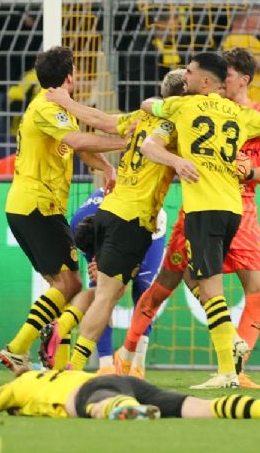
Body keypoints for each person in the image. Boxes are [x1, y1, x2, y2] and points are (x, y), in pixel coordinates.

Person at [116, 49, 260, 389]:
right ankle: (130, 350)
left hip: (238, 206)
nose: (224, 80)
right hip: (209, 205)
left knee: (252, 290)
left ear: (242, 80)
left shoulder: (254, 114)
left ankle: (234, 367)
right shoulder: (194, 105)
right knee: (168, 283)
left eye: (230, 74)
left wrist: (250, 170)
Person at [42, 69, 185, 372]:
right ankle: (76, 364)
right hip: (133, 217)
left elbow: (102, 121)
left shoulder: (143, 116)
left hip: (108, 208)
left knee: (108, 291)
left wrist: (66, 101)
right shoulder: (178, 125)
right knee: (108, 296)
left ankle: (65, 330)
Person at [0, 46, 125, 375]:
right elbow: (80, 141)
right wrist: (129, 144)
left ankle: (55, 365)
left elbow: (77, 146)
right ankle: (17, 348)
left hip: (35, 205)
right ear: (69, 76)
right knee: (70, 286)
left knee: (63, 288)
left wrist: (106, 167)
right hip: (38, 206)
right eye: (76, 70)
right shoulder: (47, 109)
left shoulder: (57, 109)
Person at [40, 186, 167, 375]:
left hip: (147, 224)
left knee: (140, 289)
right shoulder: (79, 226)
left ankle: (136, 365)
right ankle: (105, 365)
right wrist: (99, 268)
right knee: (102, 291)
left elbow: (121, 283)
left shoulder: (127, 227)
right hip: (113, 220)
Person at [0, 369, 260, 420]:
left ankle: (125, 413)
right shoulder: (63, 367)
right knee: (198, 408)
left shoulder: (14, 388)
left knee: (92, 407)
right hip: (120, 379)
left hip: (95, 391)